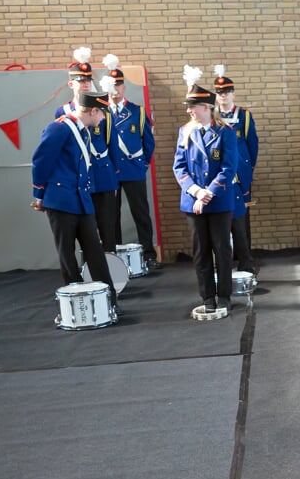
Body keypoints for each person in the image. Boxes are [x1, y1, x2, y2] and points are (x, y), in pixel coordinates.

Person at [30, 90, 118, 310]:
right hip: (60, 201)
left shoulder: (82, 131)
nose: (104, 119)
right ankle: (80, 307)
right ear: (94, 110)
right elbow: (41, 162)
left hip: (81, 200)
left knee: (95, 252)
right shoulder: (59, 128)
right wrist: (39, 195)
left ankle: (108, 301)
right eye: (103, 113)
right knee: (67, 255)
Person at [173, 69, 239, 312]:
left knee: (222, 249)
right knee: (200, 252)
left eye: (193, 106)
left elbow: (228, 168)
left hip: (219, 201)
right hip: (193, 201)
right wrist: (196, 191)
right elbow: (179, 166)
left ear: (206, 107)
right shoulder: (185, 132)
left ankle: (224, 296)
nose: (189, 110)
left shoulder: (226, 133)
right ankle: (206, 297)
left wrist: (208, 192)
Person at [55, 48, 119, 252]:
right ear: (71, 84)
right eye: (80, 80)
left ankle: (111, 272)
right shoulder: (62, 112)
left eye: (88, 80)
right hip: (78, 179)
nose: (85, 84)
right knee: (85, 230)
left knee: (108, 229)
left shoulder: (102, 109)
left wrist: (114, 173)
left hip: (102, 176)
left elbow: (113, 144)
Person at [102, 55, 159, 268]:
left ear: (124, 87)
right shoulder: (100, 112)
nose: (115, 90)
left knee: (141, 212)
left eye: (119, 85)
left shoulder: (137, 112)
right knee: (110, 215)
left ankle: (149, 253)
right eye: (112, 86)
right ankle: (113, 255)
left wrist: (143, 164)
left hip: (133, 169)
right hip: (109, 172)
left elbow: (148, 141)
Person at [213, 67, 259, 273]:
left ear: (233, 93)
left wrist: (247, 170)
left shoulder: (244, 116)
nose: (223, 95)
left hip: (240, 174)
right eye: (219, 92)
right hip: (219, 174)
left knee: (241, 220)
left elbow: (252, 145)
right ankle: (225, 261)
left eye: (227, 91)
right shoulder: (212, 116)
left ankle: (245, 261)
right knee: (221, 218)